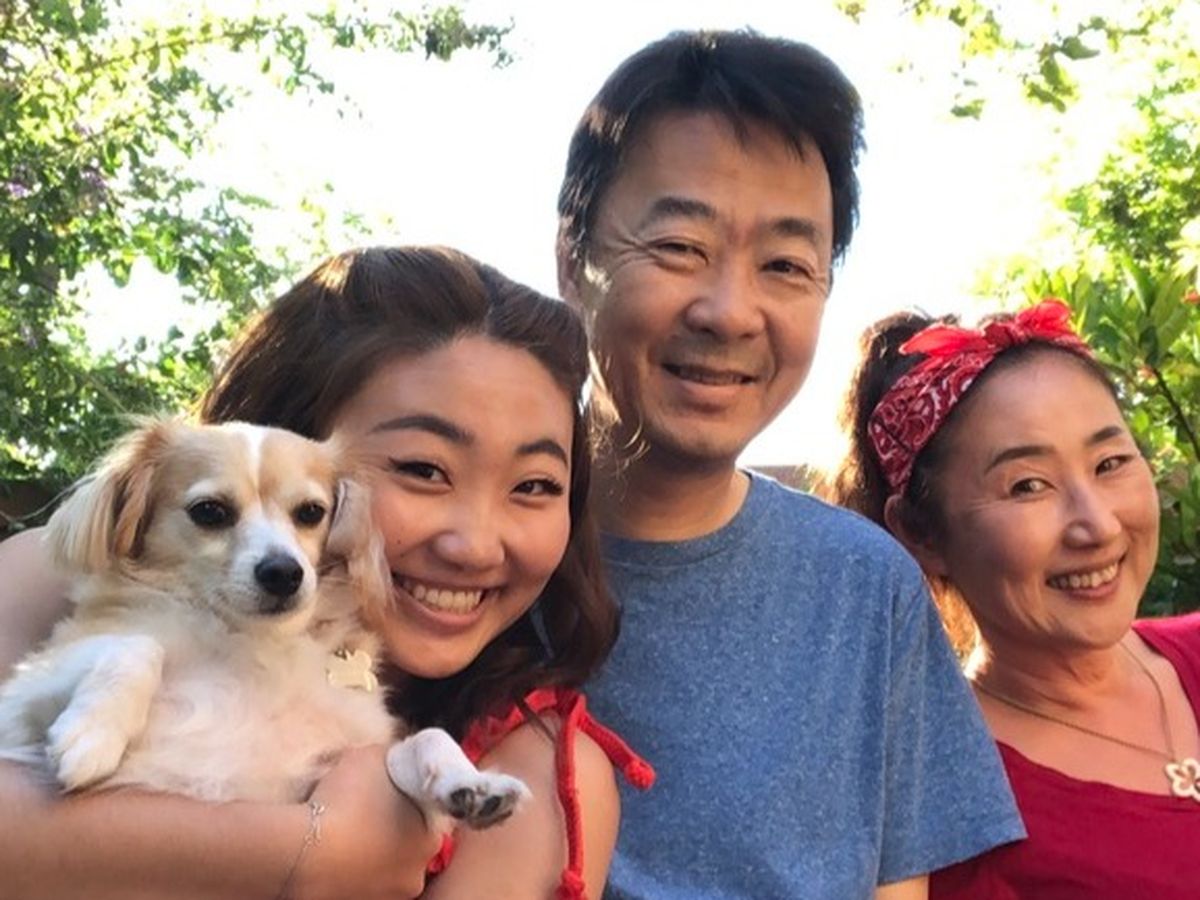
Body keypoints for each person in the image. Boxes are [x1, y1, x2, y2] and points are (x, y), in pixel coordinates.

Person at [0, 245, 650, 899]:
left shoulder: (544, 771)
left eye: (535, 484)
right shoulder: (60, 582)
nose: (475, 546)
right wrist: (307, 851)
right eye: (422, 469)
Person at [553, 29, 1023, 900]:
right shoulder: (467, 564)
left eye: (785, 265)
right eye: (680, 246)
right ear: (572, 261)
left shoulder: (866, 590)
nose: (730, 312)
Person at [831, 297, 1199, 898]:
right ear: (921, 534)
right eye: (1028, 486)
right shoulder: (946, 814)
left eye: (1110, 462)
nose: (1098, 525)